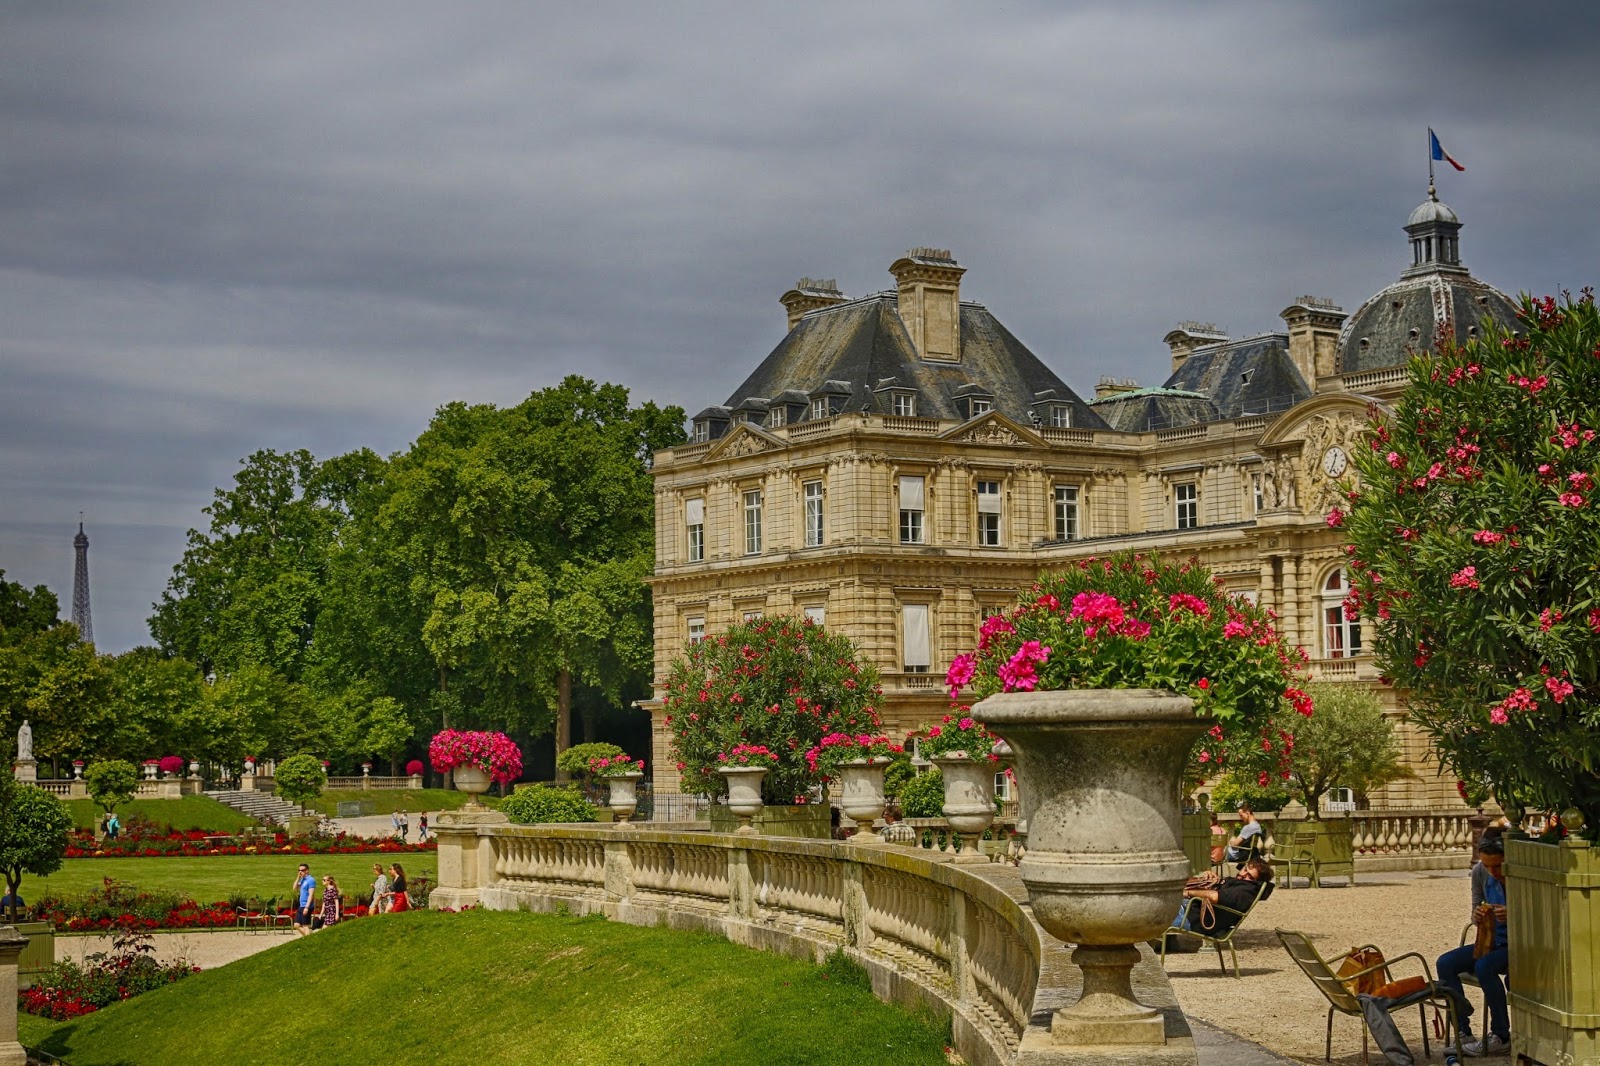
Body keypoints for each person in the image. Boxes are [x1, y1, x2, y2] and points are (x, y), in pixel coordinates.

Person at [1438, 837, 1510, 1058]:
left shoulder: (1519, 874)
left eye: (1497, 866)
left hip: (1520, 944)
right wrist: (1478, 915)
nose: (1492, 871)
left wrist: (1513, 914)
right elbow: (1476, 907)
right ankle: (1463, 1031)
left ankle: (1501, 1036)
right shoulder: (1480, 872)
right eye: (1487, 865)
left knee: (1484, 967)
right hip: (1491, 940)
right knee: (1446, 963)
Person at [1172, 857, 1274, 941]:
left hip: (1191, 919)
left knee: (1157, 913)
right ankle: (1167, 943)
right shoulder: (1237, 884)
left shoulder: (1246, 892)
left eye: (1249, 876)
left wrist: (1188, 892)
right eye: (1245, 869)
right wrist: (1210, 877)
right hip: (1188, 910)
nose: (1243, 874)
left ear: (1257, 881)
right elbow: (1221, 893)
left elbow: (1214, 896)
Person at [292, 862, 315, 937]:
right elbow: (294, 888)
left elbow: (311, 894)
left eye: (302, 870)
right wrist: (298, 877)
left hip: (307, 905)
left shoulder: (310, 880)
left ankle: (308, 939)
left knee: (305, 925)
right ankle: (309, 937)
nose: (300, 872)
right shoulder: (302, 880)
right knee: (296, 925)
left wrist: (307, 907)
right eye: (299, 870)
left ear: (307, 870)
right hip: (301, 905)